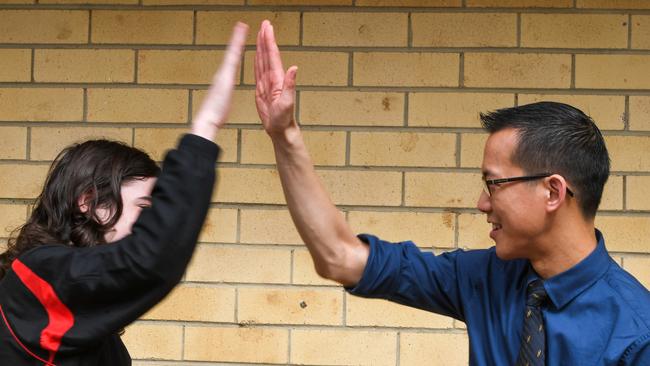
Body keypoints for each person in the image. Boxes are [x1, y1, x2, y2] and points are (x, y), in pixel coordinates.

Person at [254, 20, 650, 365]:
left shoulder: (636, 334)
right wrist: (284, 135)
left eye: (493, 184)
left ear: (552, 192)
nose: (482, 204)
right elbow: (338, 257)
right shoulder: (484, 278)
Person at [0, 22, 248, 365]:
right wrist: (206, 126)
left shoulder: (103, 343)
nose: (152, 221)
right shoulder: (38, 277)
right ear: (89, 202)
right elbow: (150, 260)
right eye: (144, 206)